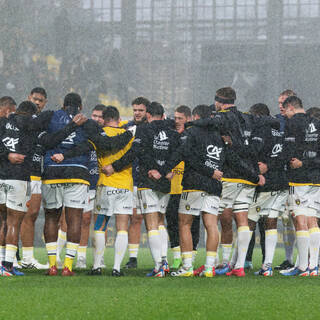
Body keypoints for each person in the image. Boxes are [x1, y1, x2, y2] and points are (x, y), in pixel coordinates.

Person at [42, 93, 136, 276]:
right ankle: (68, 266)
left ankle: (53, 265)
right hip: (77, 173)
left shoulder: (50, 116)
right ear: (81, 107)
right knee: (74, 219)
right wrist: (128, 135)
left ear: (63, 104)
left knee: (52, 218)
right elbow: (108, 144)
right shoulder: (88, 123)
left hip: (52, 170)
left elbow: (44, 141)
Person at [105, 101, 180, 277]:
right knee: (161, 222)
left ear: (148, 115)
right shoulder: (172, 132)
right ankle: (164, 261)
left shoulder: (144, 130)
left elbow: (134, 153)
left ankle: (158, 267)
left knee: (151, 224)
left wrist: (114, 167)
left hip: (147, 180)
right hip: (164, 182)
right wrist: (166, 170)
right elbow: (178, 154)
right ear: (163, 116)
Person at [162, 105, 225, 277]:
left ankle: (187, 267)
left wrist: (165, 169)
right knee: (211, 225)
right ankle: (210, 268)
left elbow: (184, 154)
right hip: (214, 186)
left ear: (195, 117)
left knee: (184, 223)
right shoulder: (218, 135)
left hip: (194, 184)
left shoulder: (192, 133)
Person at [212, 87, 265, 277]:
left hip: (230, 176)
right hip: (248, 177)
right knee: (242, 220)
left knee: (215, 218)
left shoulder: (222, 119)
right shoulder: (248, 118)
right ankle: (239, 266)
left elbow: (229, 152)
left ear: (219, 101)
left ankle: (219, 262)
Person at [244, 103, 289, 276]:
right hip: (281, 183)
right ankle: (267, 265)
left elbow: (252, 154)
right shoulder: (282, 131)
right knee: (271, 222)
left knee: (248, 221)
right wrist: (271, 165)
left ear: (257, 116)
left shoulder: (260, 132)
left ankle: (239, 263)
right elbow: (286, 155)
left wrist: (261, 168)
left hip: (265, 184)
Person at [89, 106, 134, 276]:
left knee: (100, 226)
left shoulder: (100, 135)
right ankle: (116, 268)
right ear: (118, 118)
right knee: (122, 227)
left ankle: (97, 266)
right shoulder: (128, 136)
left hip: (105, 184)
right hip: (125, 185)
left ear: (104, 119)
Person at [281, 96, 320, 276]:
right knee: (313, 221)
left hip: (299, 179)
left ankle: (302, 266)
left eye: (284, 108)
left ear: (290, 107)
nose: (284, 113)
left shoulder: (292, 123)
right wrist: (308, 162)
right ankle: (314, 266)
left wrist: (296, 163)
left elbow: (288, 150)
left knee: (300, 219)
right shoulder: (316, 122)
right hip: (316, 178)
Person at [20, 87, 49, 269]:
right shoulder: (18, 120)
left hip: (37, 172)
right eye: (35, 99)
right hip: (19, 173)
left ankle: (27, 259)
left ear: (45, 103)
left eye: (41, 100)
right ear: (29, 98)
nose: (37, 102)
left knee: (31, 214)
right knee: (15, 215)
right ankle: (11, 257)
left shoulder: (45, 121)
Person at [123, 97, 149, 269]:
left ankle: (163, 258)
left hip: (148, 178)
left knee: (149, 218)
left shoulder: (151, 128)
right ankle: (132, 258)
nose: (137, 113)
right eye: (135, 110)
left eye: (140, 110)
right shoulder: (126, 128)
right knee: (134, 217)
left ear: (147, 111)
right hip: (130, 178)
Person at [274, 89, 297, 272]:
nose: (280, 106)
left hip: (299, 177)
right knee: (287, 220)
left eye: (284, 103)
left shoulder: (300, 124)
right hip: (281, 178)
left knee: (302, 219)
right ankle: (289, 259)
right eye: (279, 102)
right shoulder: (276, 121)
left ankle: (308, 259)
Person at [0, 96, 17, 267]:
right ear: (7, 110)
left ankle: (4, 262)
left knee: (4, 220)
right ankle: (6, 263)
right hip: (4, 175)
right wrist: (7, 155)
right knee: (7, 220)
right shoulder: (5, 125)